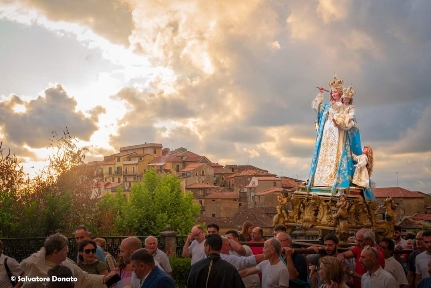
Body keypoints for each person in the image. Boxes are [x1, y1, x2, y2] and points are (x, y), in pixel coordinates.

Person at [308, 74, 363, 193]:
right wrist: (320, 94)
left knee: (336, 152)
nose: (333, 94)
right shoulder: (328, 106)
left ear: (341, 93)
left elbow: (351, 121)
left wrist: (340, 122)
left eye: (335, 92)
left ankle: (334, 178)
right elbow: (315, 107)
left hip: (338, 131)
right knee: (325, 152)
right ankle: (322, 179)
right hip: (327, 132)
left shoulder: (345, 106)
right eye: (332, 92)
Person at [19, 233, 116, 288]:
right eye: (65, 249)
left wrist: (103, 279)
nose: (68, 251)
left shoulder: (65, 262)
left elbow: (83, 277)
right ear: (55, 252)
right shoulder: (36, 267)